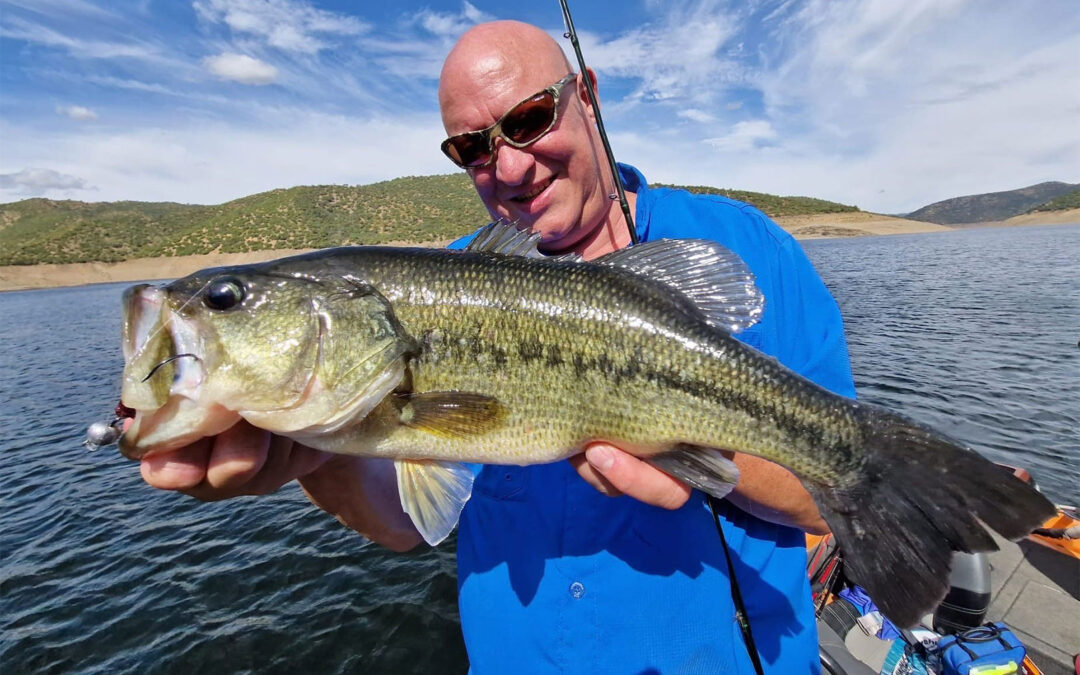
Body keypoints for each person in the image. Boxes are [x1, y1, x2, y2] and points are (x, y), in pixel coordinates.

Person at [138, 20, 855, 675]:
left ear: (590, 98)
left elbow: (834, 501)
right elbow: (408, 521)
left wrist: (685, 438)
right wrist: (320, 457)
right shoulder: (444, 283)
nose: (509, 168)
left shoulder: (751, 246)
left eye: (529, 119)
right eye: (473, 148)